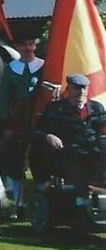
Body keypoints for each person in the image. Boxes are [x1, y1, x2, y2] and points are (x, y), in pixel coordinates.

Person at [31, 74, 106, 238]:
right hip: (67, 154)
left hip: (93, 154)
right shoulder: (55, 109)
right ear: (69, 89)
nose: (81, 92)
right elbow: (37, 131)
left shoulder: (97, 109)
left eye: (83, 88)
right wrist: (48, 136)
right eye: (76, 88)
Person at [0, 31, 44, 219]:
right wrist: (7, 125)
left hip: (39, 120)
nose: (27, 48)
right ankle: (19, 204)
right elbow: (4, 99)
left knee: (40, 161)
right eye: (23, 45)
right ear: (17, 47)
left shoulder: (43, 66)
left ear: (35, 45)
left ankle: (41, 204)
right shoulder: (11, 69)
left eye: (30, 44)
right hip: (18, 121)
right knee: (16, 163)